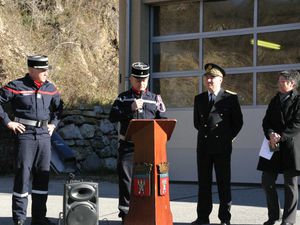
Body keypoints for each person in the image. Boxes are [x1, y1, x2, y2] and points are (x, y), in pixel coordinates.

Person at [0, 55, 63, 225]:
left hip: (44, 135)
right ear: (31, 70)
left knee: (43, 176)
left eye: (47, 69)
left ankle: (39, 218)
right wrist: (8, 122)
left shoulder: (50, 88)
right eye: (42, 70)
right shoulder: (16, 86)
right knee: (23, 175)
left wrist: (54, 124)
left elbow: (60, 108)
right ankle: (19, 218)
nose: (46, 73)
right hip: (25, 134)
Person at [109, 61, 167, 223]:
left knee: (147, 184)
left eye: (144, 79)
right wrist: (130, 108)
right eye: (138, 79)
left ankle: (145, 215)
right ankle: (126, 217)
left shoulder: (155, 99)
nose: (141, 83)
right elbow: (112, 117)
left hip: (149, 149)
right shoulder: (123, 98)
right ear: (131, 79)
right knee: (126, 184)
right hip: (128, 148)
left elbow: (163, 121)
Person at [192, 63, 243, 225]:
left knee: (223, 183)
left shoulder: (230, 98)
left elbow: (238, 123)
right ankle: (202, 217)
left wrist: (227, 138)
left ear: (220, 80)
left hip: (222, 147)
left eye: (212, 77)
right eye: (206, 77)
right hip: (204, 147)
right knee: (204, 184)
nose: (209, 80)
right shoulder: (199, 98)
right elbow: (197, 123)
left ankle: (225, 218)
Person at [257, 70, 300, 225]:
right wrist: (270, 133)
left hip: (290, 148)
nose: (280, 83)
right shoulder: (275, 100)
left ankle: (288, 221)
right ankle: (274, 216)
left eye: (284, 81)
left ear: (292, 84)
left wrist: (280, 135)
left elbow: (297, 123)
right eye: (279, 81)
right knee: (266, 181)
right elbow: (266, 121)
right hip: (273, 146)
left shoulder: (298, 100)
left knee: (290, 185)